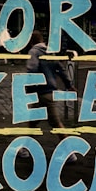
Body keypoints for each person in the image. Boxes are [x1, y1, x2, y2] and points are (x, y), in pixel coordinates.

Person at [26, 30, 77, 162]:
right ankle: (25, 149)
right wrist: (68, 84)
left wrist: (29, 86)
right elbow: (60, 68)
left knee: (56, 123)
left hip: (42, 91)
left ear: (32, 41)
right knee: (33, 122)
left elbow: (32, 69)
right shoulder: (49, 52)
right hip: (49, 91)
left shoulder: (33, 52)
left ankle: (69, 152)